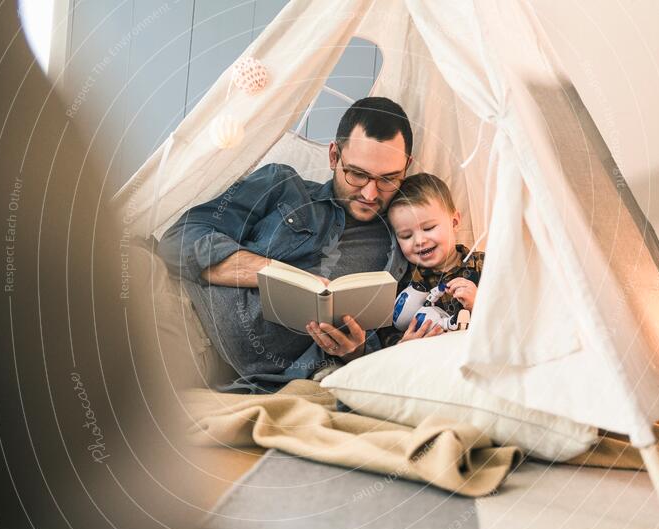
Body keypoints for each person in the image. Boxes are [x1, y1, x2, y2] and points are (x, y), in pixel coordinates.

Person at [157, 97, 413, 392]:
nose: (370, 193)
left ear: (407, 167)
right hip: (179, 304)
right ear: (334, 156)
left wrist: (354, 351)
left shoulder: (404, 249)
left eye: (389, 179)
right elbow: (177, 239)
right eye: (357, 174)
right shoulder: (282, 185)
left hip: (226, 371)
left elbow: (384, 354)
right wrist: (271, 272)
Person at [382, 173, 485, 346]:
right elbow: (386, 332)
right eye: (406, 236)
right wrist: (402, 342)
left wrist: (477, 304)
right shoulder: (403, 281)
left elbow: (511, 317)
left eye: (428, 228)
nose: (419, 241)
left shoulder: (483, 265)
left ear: (454, 223)